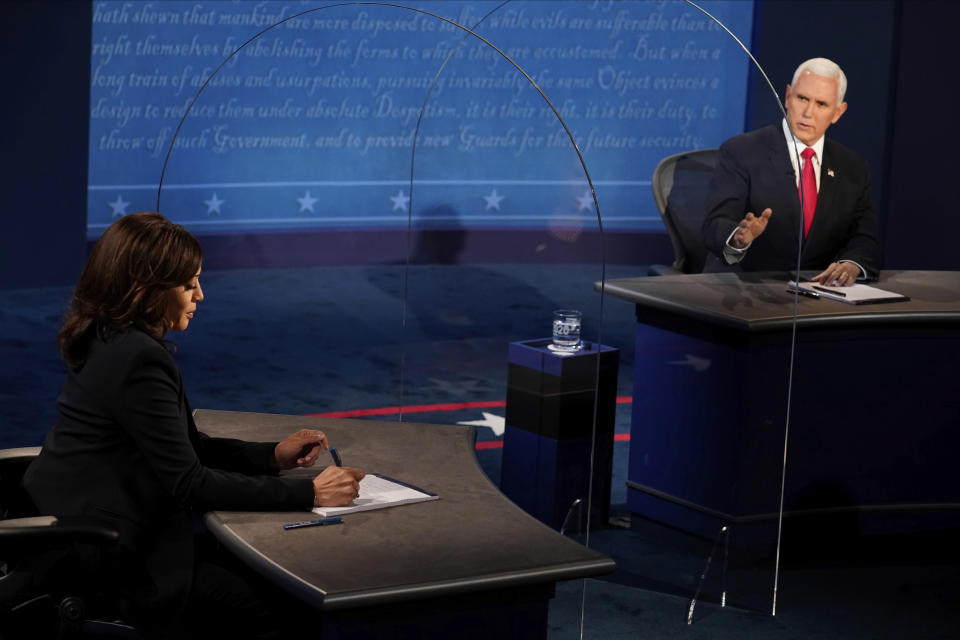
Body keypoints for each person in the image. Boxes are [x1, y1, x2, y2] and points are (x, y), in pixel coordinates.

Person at [23, 212, 365, 637]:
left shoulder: (107, 336)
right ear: (147, 291)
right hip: (112, 557)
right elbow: (189, 482)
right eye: (188, 285)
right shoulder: (137, 358)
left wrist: (270, 457)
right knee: (281, 607)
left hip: (75, 534)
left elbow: (178, 446)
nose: (200, 295)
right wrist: (311, 491)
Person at [701, 57, 880, 285]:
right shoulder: (741, 151)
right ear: (787, 96)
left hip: (816, 296)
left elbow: (864, 237)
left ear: (838, 112)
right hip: (744, 289)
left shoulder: (853, 167)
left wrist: (851, 264)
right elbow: (715, 223)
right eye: (802, 98)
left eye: (821, 104)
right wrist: (738, 237)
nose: (808, 112)